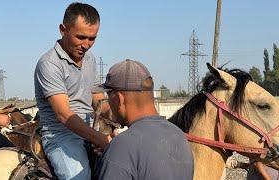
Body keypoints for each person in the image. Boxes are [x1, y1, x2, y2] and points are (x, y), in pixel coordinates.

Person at [34, 2, 111, 180]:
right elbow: (63, 115)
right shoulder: (49, 63)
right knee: (80, 177)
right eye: (81, 37)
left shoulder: (90, 59)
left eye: (92, 38)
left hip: (90, 131)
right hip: (61, 136)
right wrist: (101, 139)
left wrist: (121, 123)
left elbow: (99, 99)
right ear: (63, 29)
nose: (86, 45)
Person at [94, 59, 194, 180]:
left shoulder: (122, 147)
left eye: (108, 96)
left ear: (119, 99)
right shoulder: (179, 136)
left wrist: (113, 154)